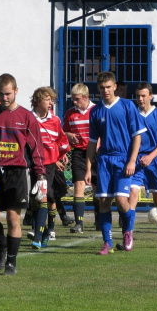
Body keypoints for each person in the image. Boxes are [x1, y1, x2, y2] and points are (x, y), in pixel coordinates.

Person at [0, 73, 46, 274]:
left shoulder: (27, 117)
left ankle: (11, 262)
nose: (4, 98)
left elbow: (37, 148)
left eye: (8, 93)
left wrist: (41, 174)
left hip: (16, 172)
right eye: (1, 94)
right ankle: (3, 244)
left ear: (16, 91)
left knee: (13, 218)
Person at [85, 71, 146, 255]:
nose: (106, 91)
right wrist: (88, 168)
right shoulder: (95, 111)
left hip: (123, 159)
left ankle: (128, 231)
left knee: (121, 200)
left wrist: (132, 161)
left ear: (115, 87)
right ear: (98, 88)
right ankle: (107, 243)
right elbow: (92, 142)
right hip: (104, 160)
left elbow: (137, 136)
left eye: (109, 87)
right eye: (102, 88)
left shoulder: (127, 106)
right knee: (103, 200)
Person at [120, 82, 157, 249]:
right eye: (138, 96)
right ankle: (128, 236)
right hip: (135, 160)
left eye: (143, 95)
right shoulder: (132, 114)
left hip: (155, 160)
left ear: (151, 96)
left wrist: (150, 156)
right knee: (132, 196)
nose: (140, 99)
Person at [27, 87, 70, 249]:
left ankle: (37, 237)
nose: (51, 103)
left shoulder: (55, 120)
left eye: (53, 100)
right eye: (48, 99)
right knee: (35, 200)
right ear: (38, 100)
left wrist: (60, 154)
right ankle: (43, 231)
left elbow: (62, 139)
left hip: (48, 165)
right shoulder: (28, 117)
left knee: (43, 196)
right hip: (31, 164)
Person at [63, 83, 97, 234]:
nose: (74, 102)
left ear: (85, 97)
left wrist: (98, 144)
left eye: (77, 99)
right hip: (78, 153)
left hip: (96, 153)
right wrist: (68, 135)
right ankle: (79, 223)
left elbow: (103, 130)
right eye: (73, 99)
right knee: (78, 185)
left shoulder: (96, 110)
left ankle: (99, 219)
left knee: (97, 188)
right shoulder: (70, 113)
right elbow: (63, 133)